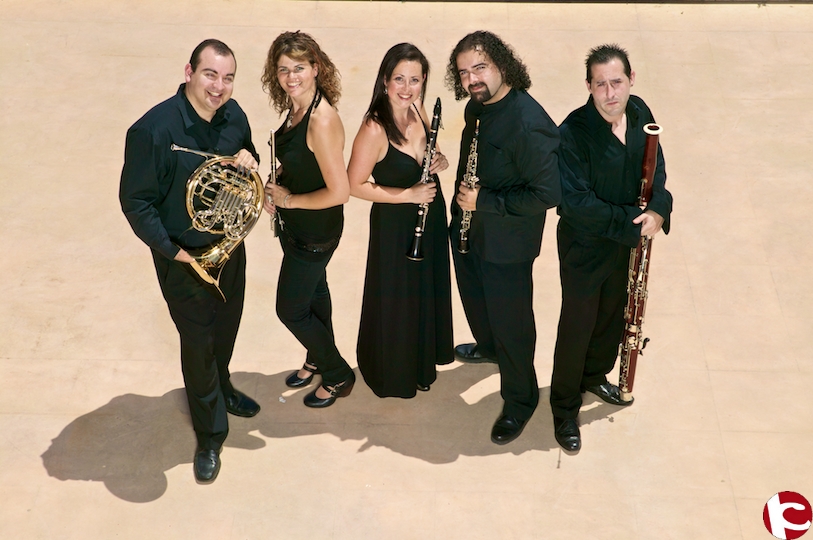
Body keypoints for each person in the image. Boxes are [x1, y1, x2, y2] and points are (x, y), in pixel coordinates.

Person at [119, 39, 261, 484]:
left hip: (228, 249)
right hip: (182, 257)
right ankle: (211, 434)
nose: (219, 87)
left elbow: (248, 157)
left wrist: (250, 158)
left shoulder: (234, 116)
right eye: (210, 74)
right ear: (189, 73)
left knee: (227, 326)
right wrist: (175, 252)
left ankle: (222, 388)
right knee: (198, 344)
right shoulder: (153, 130)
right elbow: (136, 202)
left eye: (228, 78)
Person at [550, 44, 673, 452]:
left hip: (625, 242)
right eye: (600, 84)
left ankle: (593, 375)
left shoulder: (639, 113)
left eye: (616, 82)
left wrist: (659, 209)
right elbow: (576, 204)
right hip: (585, 247)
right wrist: (633, 223)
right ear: (589, 86)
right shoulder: (572, 132)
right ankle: (564, 408)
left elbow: (657, 170)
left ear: (631, 79)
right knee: (578, 325)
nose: (610, 93)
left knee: (610, 316)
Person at [445, 31, 561, 444]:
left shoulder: (529, 124)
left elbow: (548, 193)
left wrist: (484, 201)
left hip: (507, 245)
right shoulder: (477, 107)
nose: (471, 79)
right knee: (477, 301)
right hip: (470, 229)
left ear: (502, 66)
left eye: (480, 68)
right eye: (463, 72)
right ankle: (489, 347)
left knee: (513, 325)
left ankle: (520, 399)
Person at [347, 43, 453, 398]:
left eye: (415, 80)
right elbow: (354, 185)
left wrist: (439, 160)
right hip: (395, 223)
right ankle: (394, 373)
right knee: (398, 298)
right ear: (384, 80)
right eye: (399, 79)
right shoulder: (374, 128)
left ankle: (421, 365)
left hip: (429, 216)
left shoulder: (419, 110)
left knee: (423, 290)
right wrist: (408, 195)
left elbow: (429, 153)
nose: (407, 88)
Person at [261, 31, 355, 408]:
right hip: (297, 226)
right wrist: (275, 181)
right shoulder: (297, 107)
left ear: (316, 68)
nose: (291, 77)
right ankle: (317, 357)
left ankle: (337, 374)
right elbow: (302, 161)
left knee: (290, 309)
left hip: (315, 232)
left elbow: (340, 191)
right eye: (283, 70)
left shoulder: (322, 120)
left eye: (299, 68)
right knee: (315, 294)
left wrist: (289, 199)